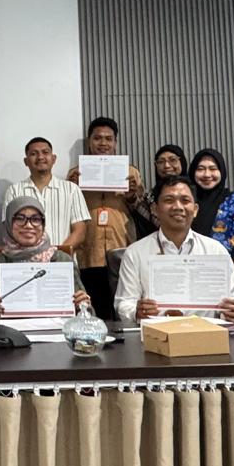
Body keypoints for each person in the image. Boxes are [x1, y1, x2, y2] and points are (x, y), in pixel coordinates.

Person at [115, 176, 234, 323]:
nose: (178, 206)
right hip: (156, 334)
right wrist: (136, 312)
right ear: (154, 209)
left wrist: (233, 312)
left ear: (195, 210)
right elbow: (124, 303)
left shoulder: (216, 251)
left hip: (207, 333)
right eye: (169, 200)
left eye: (185, 200)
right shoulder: (135, 253)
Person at [66, 116, 145, 320]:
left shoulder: (130, 172)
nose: (103, 143)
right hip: (88, 251)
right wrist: (71, 187)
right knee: (95, 309)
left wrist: (132, 195)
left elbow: (141, 210)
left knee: (122, 306)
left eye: (108, 139)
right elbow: (68, 211)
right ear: (90, 141)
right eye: (97, 138)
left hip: (121, 247)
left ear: (115, 142)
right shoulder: (76, 173)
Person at [0, 197, 91, 322]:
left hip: (57, 332)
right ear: (8, 223)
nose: (28, 225)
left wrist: (82, 307)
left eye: (35, 219)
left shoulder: (62, 261)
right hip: (9, 333)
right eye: (20, 218)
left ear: (43, 224)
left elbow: (89, 315)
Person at [2, 137, 90, 249]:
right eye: (34, 154)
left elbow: (79, 231)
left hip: (62, 257)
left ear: (53, 159)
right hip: (25, 258)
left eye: (45, 152)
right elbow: (10, 230)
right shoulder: (14, 191)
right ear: (26, 161)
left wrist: (59, 255)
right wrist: (31, 254)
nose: (40, 157)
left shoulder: (71, 189)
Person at [134, 144, 189, 238]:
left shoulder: (194, 193)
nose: (166, 165)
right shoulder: (150, 197)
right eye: (161, 162)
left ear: (182, 162)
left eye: (172, 160)